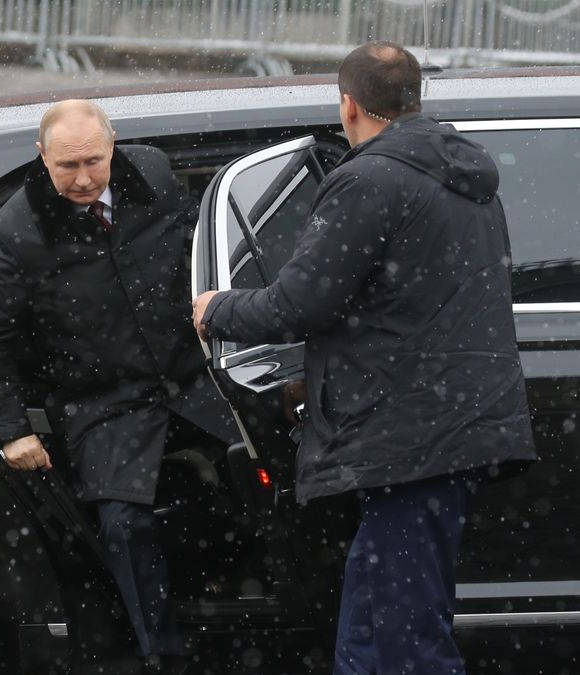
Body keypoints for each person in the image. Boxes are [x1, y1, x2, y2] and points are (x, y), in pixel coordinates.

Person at [192, 42, 537, 674]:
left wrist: (216, 308)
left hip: (407, 438)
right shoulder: (467, 177)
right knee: (380, 628)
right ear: (415, 99)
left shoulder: (367, 180)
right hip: (450, 424)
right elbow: (413, 305)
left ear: (348, 105)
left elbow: (298, 304)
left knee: (397, 637)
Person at [0, 99, 233, 673]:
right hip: (103, 399)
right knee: (123, 524)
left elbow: (206, 254)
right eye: (67, 167)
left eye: (93, 161)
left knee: (269, 473)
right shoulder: (18, 230)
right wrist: (11, 429)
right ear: (42, 158)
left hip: (192, 377)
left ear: (114, 147)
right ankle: (161, 654)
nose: (83, 179)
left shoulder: (155, 175)